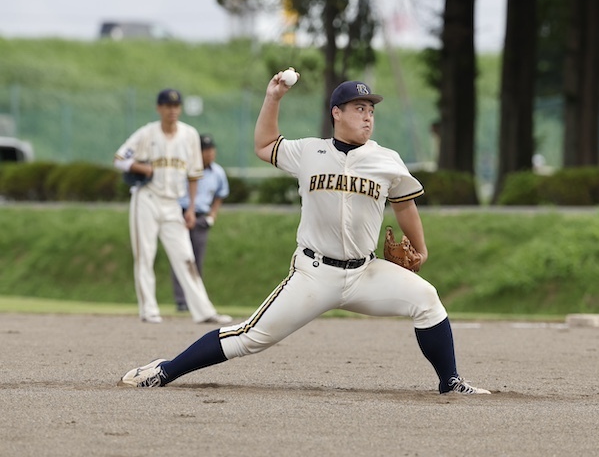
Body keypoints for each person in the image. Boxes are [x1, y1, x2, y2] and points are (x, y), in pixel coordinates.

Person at [118, 76, 490, 395]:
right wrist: (273, 97)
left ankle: (450, 381)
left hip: (365, 273)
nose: (367, 116)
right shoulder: (308, 152)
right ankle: (166, 370)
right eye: (359, 108)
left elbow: (405, 206)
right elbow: (264, 145)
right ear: (337, 113)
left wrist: (421, 251)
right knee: (250, 337)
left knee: (427, 300)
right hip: (315, 272)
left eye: (371, 110)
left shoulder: (386, 160)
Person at [113, 88, 232, 325]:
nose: (172, 110)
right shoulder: (147, 133)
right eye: (167, 106)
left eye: (176, 106)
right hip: (146, 199)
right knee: (145, 254)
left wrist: (190, 209)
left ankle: (204, 311)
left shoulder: (189, 135)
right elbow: (119, 159)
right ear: (159, 108)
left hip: (173, 204)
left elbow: (194, 174)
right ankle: (149, 309)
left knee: (186, 256)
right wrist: (140, 167)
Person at [171, 133, 230, 312]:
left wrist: (212, 215)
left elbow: (221, 193)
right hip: (181, 215)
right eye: (205, 150)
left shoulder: (218, 172)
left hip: (202, 216)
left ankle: (196, 300)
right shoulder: (185, 168)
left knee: (197, 259)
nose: (209, 153)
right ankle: (181, 300)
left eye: (211, 149)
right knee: (180, 258)